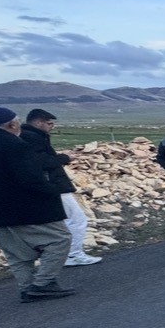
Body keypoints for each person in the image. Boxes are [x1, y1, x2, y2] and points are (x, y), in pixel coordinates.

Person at [0, 107, 75, 301]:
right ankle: (43, 283)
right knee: (60, 239)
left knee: (17, 253)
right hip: (29, 206)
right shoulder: (16, 145)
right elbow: (30, 178)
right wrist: (53, 191)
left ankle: (27, 288)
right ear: (13, 124)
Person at [20, 109, 101, 266]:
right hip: (52, 186)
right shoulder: (32, 138)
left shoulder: (29, 136)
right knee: (77, 219)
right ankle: (73, 254)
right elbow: (41, 162)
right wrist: (65, 158)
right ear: (38, 122)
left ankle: (58, 255)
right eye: (49, 123)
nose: (52, 126)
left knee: (60, 222)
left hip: (47, 185)